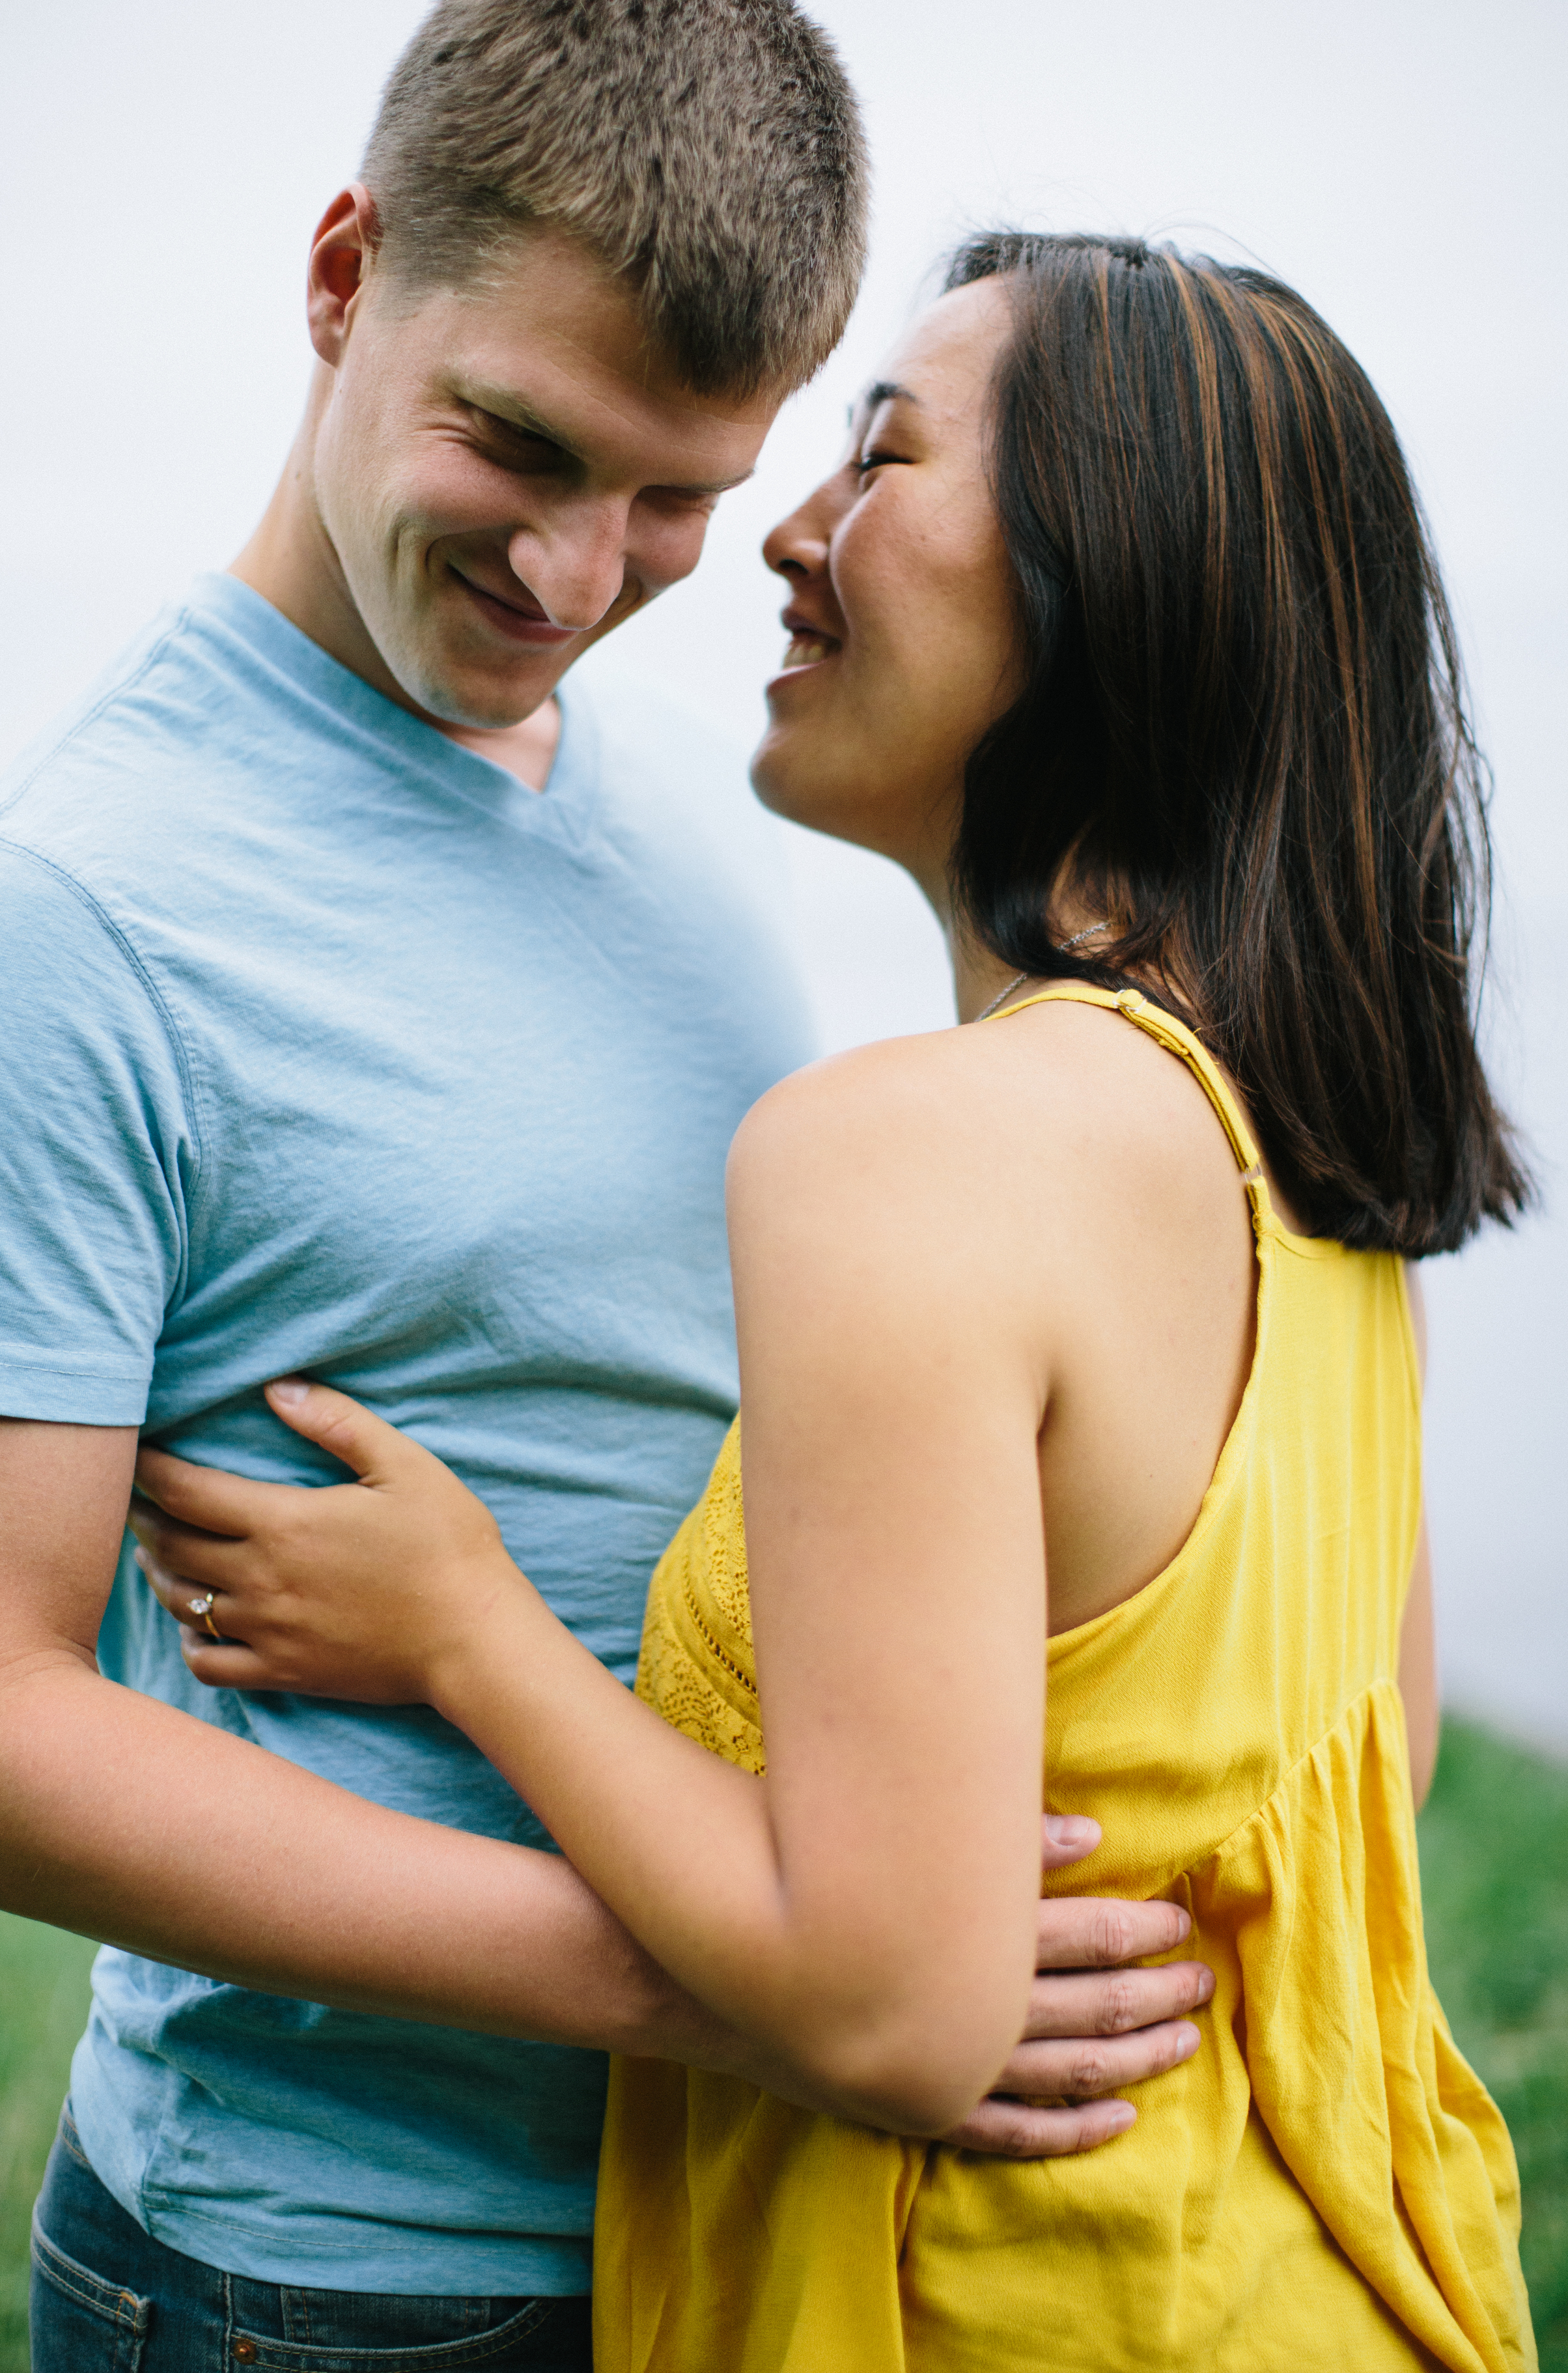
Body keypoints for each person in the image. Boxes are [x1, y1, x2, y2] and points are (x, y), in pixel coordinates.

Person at [0, 0, 1207, 2368]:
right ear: (341, 282)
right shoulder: (57, 920)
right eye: (515, 451)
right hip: (326, 2273)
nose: (572, 579)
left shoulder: (678, 822)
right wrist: (761, 1986)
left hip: (723, 2226)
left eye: (674, 502)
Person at [129, 232, 1539, 2372]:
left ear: (1106, 566)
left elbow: (891, 2015)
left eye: (878, 457)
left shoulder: (905, 1148)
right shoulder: (1298, 1150)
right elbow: (1376, 1742)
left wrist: (470, 1636)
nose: (785, 529)